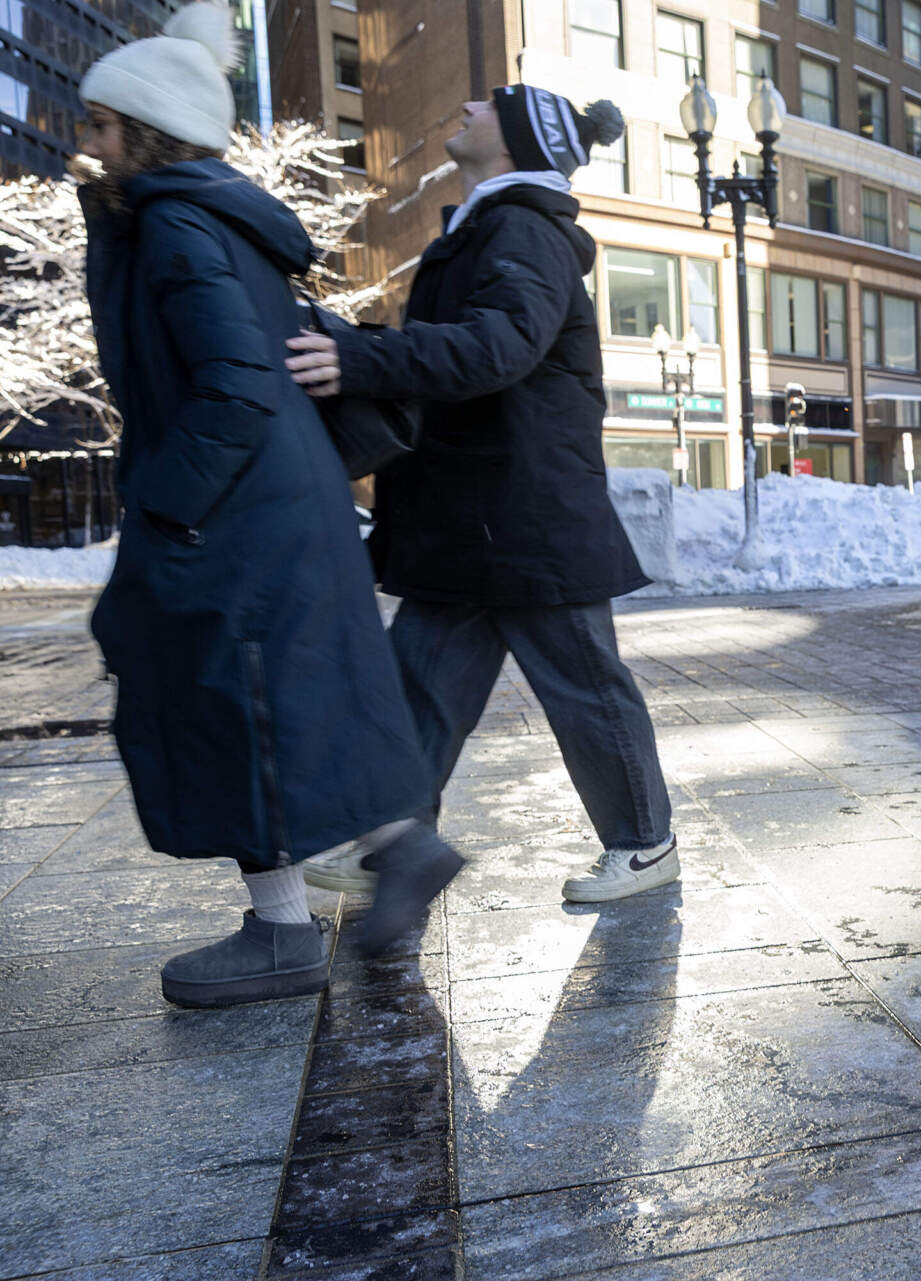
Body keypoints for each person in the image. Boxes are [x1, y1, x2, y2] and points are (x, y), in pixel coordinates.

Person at [76, 4, 465, 1007]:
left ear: (147, 133)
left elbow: (233, 384)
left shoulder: (173, 225)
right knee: (265, 692)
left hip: (234, 500)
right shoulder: (198, 218)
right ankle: (379, 857)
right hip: (272, 494)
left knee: (224, 694)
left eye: (102, 126)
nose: (88, 144)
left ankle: (295, 924)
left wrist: (168, 504)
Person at [285, 84, 677, 904]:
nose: (464, 104)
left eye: (490, 103)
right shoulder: (489, 226)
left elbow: (499, 345)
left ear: (517, 143)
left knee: (585, 689)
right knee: (419, 690)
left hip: (526, 514)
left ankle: (645, 844)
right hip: (474, 518)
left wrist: (364, 359)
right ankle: (395, 844)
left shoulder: (525, 228)